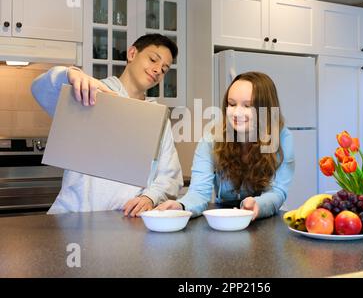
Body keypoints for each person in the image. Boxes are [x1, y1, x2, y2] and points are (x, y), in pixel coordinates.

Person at [31, 33, 183, 217]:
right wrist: (69, 74)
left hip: (124, 221)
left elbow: (170, 175)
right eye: (153, 59)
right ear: (132, 53)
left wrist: (150, 197)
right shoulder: (90, 92)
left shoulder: (158, 117)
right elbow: (39, 89)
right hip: (73, 217)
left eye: (165, 69)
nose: (158, 70)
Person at [156, 72, 295, 220]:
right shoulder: (211, 138)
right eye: (232, 104)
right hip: (225, 220)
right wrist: (181, 206)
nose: (237, 112)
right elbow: (199, 191)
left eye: (247, 105)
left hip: (265, 221)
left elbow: (277, 192)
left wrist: (257, 204)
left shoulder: (282, 139)